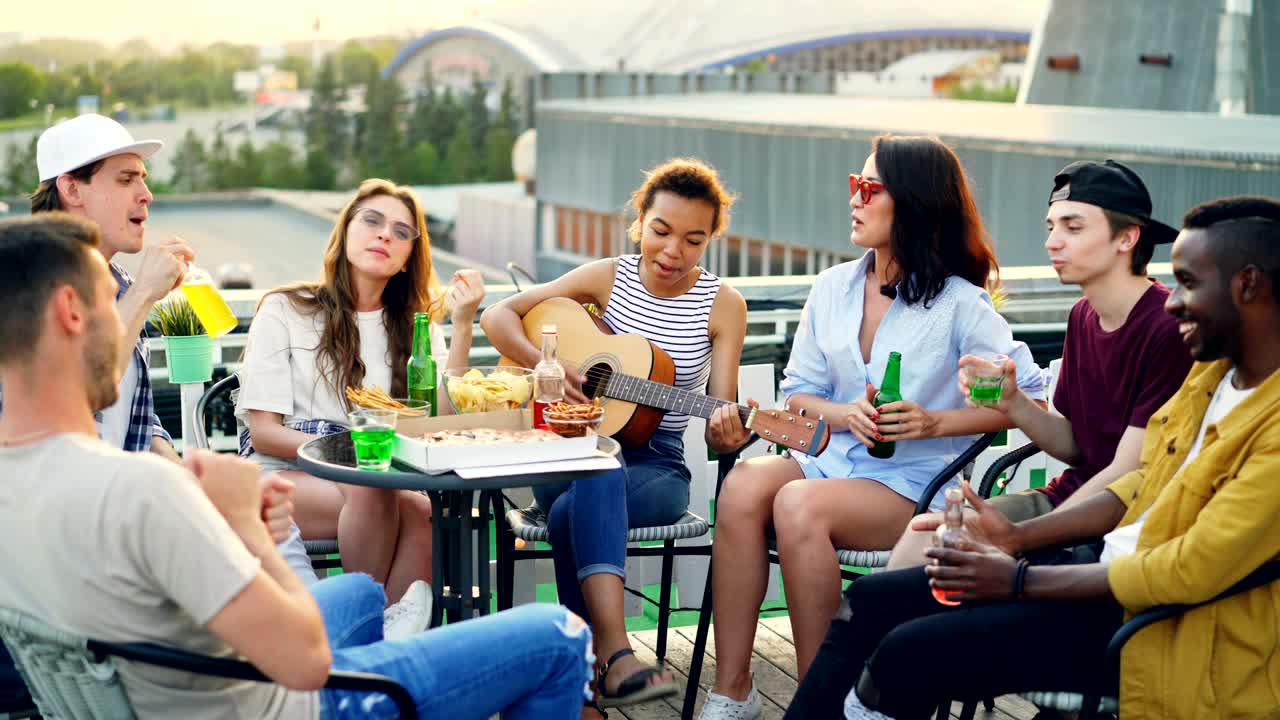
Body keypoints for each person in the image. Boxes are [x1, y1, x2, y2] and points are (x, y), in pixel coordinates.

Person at [0, 212, 593, 720]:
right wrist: (249, 530)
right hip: (281, 703)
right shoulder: (146, 489)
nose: (127, 322)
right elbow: (305, 662)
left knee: (361, 593)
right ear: (71, 312)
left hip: (179, 681)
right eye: (113, 299)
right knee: (559, 635)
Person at [786, 196, 1280, 720]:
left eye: (1189, 282)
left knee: (907, 651)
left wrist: (1019, 577)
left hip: (1156, 626)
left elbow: (1188, 571)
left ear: (1248, 285)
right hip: (1095, 573)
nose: (1174, 300)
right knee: (869, 602)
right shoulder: (1212, 378)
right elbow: (1139, 484)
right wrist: (1016, 539)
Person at [699, 135, 1046, 720]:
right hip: (829, 457)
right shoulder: (833, 287)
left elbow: (1028, 397)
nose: (854, 200)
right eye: (853, 185)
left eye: (869, 188)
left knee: (799, 507)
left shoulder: (961, 304)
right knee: (741, 487)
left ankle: (821, 699)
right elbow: (799, 392)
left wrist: (935, 422)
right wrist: (844, 413)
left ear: (911, 202)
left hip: (912, 484)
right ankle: (733, 689)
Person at [481, 158, 751, 711]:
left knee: (574, 503)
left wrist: (731, 433)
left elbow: (721, 421)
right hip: (569, 451)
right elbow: (498, 316)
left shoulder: (723, 305)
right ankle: (613, 652)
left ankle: (580, 683)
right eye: (661, 232)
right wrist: (546, 366)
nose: (673, 252)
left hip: (659, 465)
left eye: (693, 241)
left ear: (710, 242)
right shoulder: (608, 277)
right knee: (593, 469)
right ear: (640, 223)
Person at [886, 159, 1193, 570]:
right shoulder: (1082, 315)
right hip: (1069, 497)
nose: (1052, 242)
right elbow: (1076, 447)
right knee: (924, 534)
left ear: (1127, 239)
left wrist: (1028, 534)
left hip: (1126, 520)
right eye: (1051, 227)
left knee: (955, 557)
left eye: (1073, 226)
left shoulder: (1166, 327)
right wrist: (1013, 403)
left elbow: (1127, 472)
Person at [235, 179, 485, 611]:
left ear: (409, 257)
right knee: (372, 484)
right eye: (372, 221)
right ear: (345, 231)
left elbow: (440, 422)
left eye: (401, 231)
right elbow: (264, 434)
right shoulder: (286, 309)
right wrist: (356, 450)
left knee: (426, 512)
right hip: (283, 473)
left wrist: (463, 324)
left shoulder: (415, 327)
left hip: (376, 479)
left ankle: (377, 642)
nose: (385, 234)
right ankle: (362, 622)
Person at [0, 114, 193, 460]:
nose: (146, 195)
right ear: (72, 188)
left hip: (112, 501)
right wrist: (145, 294)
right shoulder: (20, 285)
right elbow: (73, 398)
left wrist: (189, 477)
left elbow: (138, 419)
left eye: (143, 180)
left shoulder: (122, 286)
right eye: (126, 180)